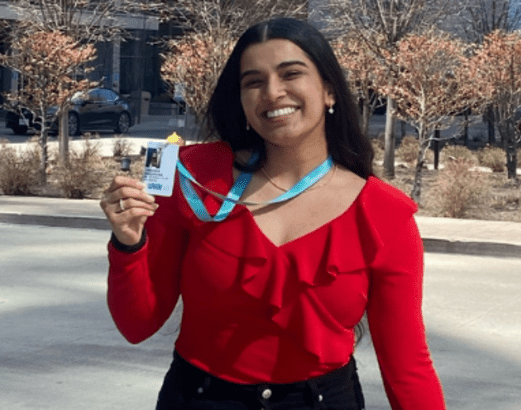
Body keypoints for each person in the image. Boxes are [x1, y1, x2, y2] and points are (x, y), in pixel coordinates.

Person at [99, 18, 446, 410]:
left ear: (329, 90)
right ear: (242, 100)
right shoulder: (194, 178)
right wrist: (129, 244)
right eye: (253, 81)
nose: (272, 92)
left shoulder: (383, 215)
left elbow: (407, 365)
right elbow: (137, 325)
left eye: (291, 73)